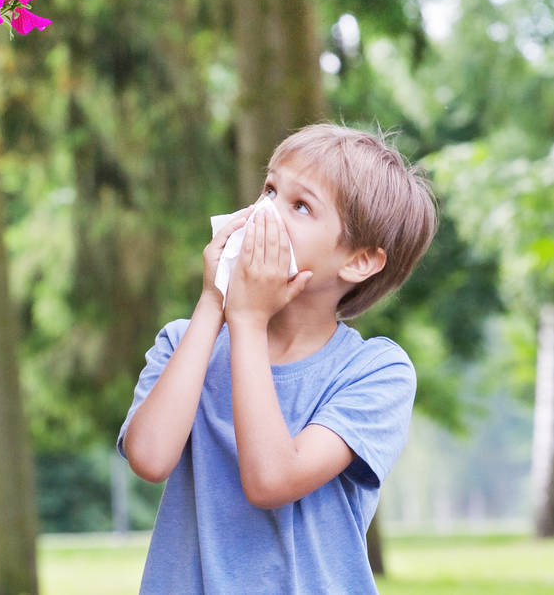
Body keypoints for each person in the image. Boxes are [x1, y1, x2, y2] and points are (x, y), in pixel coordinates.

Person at [118, 123, 437, 594]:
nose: (263, 212)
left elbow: (271, 480)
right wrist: (214, 303)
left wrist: (246, 321)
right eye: (269, 189)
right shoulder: (185, 342)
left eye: (301, 205)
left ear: (359, 261)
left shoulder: (375, 372)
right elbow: (148, 459)